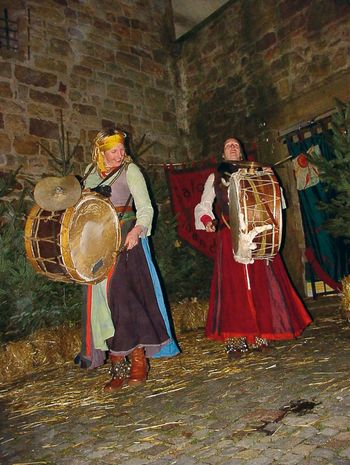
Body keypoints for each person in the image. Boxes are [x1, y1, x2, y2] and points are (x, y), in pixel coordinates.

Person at [78, 128, 179, 391]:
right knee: (102, 304)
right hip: (98, 243)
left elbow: (145, 207)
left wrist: (137, 231)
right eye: (114, 151)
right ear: (101, 153)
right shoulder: (90, 174)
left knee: (126, 299)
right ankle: (117, 364)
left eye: (122, 149)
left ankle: (138, 360)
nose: (121, 154)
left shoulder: (130, 171)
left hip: (125, 238)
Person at [194, 137, 312, 358]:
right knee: (233, 288)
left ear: (241, 152)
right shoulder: (216, 176)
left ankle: (262, 334)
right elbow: (203, 205)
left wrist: (271, 178)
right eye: (227, 145)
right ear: (223, 153)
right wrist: (207, 220)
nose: (232, 147)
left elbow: (277, 201)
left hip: (257, 234)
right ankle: (235, 340)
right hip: (229, 234)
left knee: (261, 283)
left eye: (236, 145)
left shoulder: (257, 171)